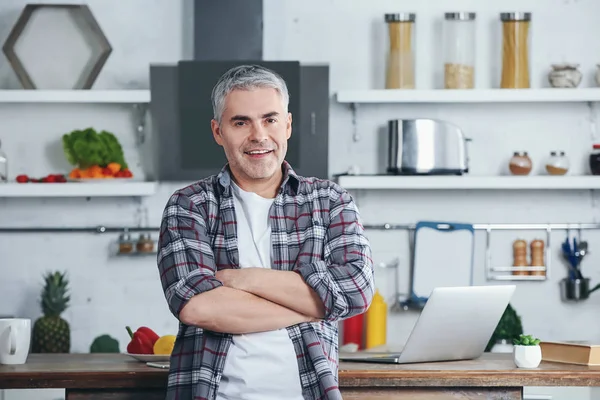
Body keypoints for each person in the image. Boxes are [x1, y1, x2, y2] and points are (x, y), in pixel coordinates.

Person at [157, 64, 375, 400]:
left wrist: (243, 280)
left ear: (287, 125)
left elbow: (356, 291)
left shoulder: (330, 200)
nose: (258, 135)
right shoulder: (189, 205)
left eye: (270, 119)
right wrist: (316, 304)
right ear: (218, 132)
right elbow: (197, 307)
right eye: (240, 122)